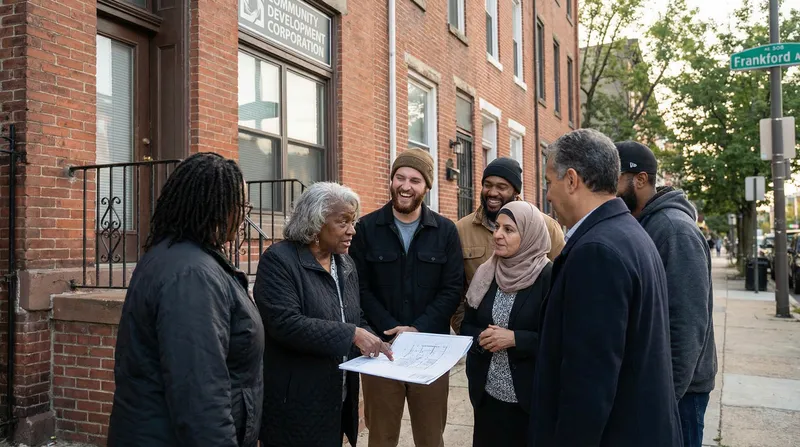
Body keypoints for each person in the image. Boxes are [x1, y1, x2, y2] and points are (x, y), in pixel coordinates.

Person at [530, 129, 682, 447]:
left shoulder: (597, 251)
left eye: (549, 182)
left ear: (571, 180)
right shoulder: (628, 233)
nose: (547, 195)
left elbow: (588, 383)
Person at [108, 153, 264, 446]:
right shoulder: (192, 275)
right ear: (215, 207)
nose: (245, 217)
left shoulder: (177, 257)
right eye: (241, 206)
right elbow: (200, 392)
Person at [254, 182, 392, 447]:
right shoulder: (279, 260)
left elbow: (353, 316)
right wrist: (352, 334)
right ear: (315, 223)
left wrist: (376, 341)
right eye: (343, 222)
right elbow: (285, 324)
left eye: (354, 221)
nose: (352, 230)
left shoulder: (345, 263)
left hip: (336, 399)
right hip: (294, 404)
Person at [350, 148, 465, 447]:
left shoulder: (446, 232)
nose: (405, 185)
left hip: (430, 351)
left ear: (426, 186)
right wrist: (391, 328)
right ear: (391, 181)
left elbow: (452, 288)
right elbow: (359, 288)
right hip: (380, 349)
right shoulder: (366, 229)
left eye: (414, 180)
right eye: (399, 177)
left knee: (430, 438)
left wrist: (416, 330)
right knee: (381, 437)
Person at [616, 140, 717, 447]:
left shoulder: (675, 231)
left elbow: (687, 324)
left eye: (614, 181)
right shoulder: (647, 224)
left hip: (680, 394)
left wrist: (664, 399)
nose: (609, 191)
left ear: (641, 180)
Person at [461, 201, 553, 447]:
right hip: (487, 397)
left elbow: (557, 338)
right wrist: (482, 337)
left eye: (509, 229)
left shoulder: (547, 277)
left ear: (530, 234)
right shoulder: (487, 272)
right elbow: (466, 325)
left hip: (527, 400)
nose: (498, 235)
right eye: (497, 227)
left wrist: (514, 339)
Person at [450, 157, 565, 334]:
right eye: (487, 185)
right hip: (481, 344)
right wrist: (468, 333)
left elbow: (561, 286)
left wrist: (525, 339)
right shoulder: (461, 230)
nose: (492, 192)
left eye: (502, 187)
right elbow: (455, 290)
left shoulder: (545, 227)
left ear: (515, 192)